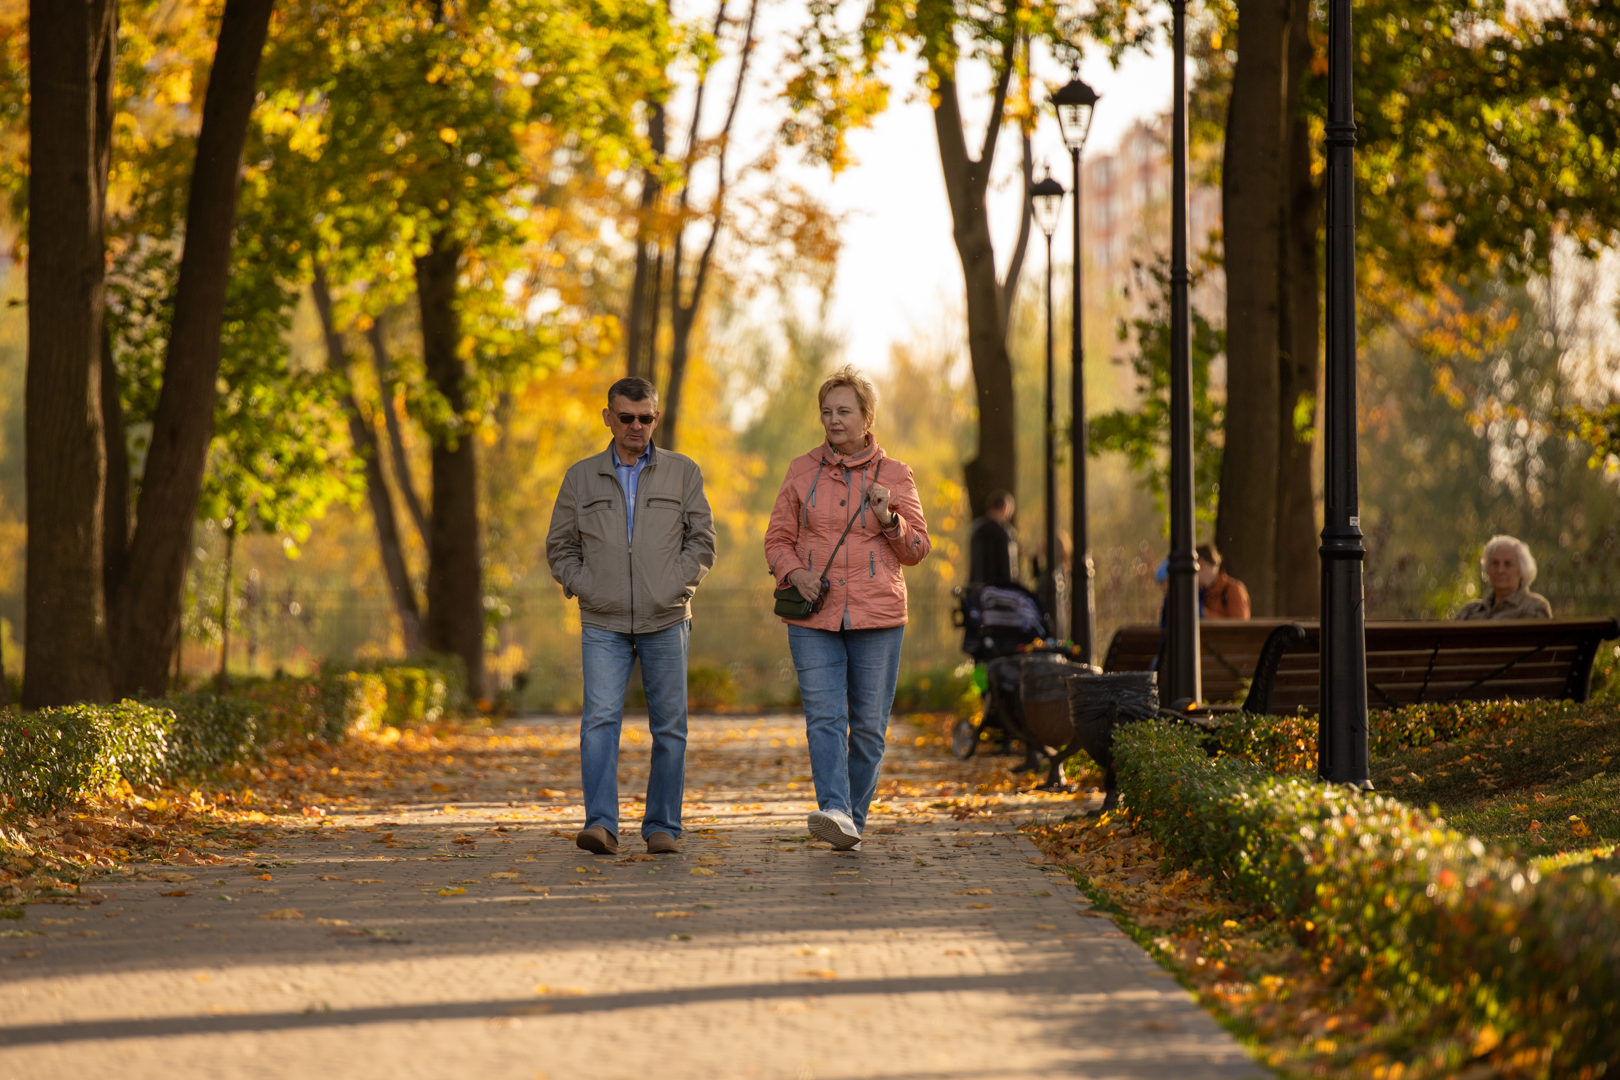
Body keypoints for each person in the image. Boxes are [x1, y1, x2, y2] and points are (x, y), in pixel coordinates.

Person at [546, 377, 716, 856]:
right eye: (626, 417)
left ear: (656, 419)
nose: (636, 426)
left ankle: (663, 826)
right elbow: (560, 546)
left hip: (667, 618)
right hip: (602, 621)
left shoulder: (684, 473)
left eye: (645, 418)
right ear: (608, 418)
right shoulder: (580, 477)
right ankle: (601, 825)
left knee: (670, 726)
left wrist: (673, 587)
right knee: (599, 721)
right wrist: (586, 586)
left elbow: (702, 541)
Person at [764, 365, 932, 850]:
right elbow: (777, 539)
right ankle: (835, 809)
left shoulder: (896, 475)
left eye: (844, 411)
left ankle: (850, 819)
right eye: (826, 411)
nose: (833, 420)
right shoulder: (801, 470)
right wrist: (795, 572)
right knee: (824, 718)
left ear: (866, 417)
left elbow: (918, 549)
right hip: (813, 616)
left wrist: (888, 518)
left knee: (870, 730)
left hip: (878, 617)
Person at [1457, 535, 1553, 620]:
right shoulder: (1470, 611)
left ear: (1522, 570)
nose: (1500, 570)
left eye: (1508, 564)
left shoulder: (1534, 607)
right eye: (1495, 563)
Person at [968, 490, 1020, 586]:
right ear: (1005, 508)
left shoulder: (977, 530)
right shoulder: (1005, 533)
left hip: (979, 591)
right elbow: (1008, 568)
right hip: (999, 591)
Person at [1196, 543, 1251, 620]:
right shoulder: (1200, 591)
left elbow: (1240, 628)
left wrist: (1205, 613)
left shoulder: (1233, 589)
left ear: (1201, 563)